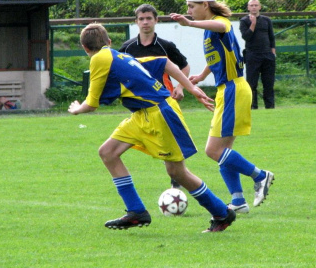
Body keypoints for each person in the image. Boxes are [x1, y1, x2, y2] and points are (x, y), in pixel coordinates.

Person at [68, 23, 236, 232]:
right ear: (109, 42)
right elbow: (164, 62)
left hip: (160, 113)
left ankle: (222, 212)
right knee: (108, 152)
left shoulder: (100, 59)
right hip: (141, 114)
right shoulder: (119, 57)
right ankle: (136, 212)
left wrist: (77, 109)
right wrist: (191, 88)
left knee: (177, 171)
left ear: (85, 47)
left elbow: (91, 105)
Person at [170, 0, 275, 215]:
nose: (189, 11)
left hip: (233, 89)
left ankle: (260, 176)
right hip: (227, 89)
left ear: (205, 5)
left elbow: (223, 25)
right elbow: (219, 55)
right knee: (224, 149)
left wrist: (190, 23)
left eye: (192, 6)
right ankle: (237, 200)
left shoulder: (219, 22)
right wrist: (203, 75)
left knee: (213, 150)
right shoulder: (209, 31)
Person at [119, 4, 191, 190]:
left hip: (164, 103)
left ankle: (177, 182)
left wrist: (180, 87)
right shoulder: (127, 48)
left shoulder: (165, 46)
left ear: (156, 20)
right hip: (141, 107)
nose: (145, 22)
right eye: (141, 19)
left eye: (149, 18)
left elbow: (184, 67)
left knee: (171, 145)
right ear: (136, 22)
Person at [239, 0, 276, 109]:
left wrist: (272, 52)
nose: (254, 7)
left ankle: (270, 106)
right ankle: (253, 106)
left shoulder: (266, 20)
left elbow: (271, 37)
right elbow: (246, 37)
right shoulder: (244, 21)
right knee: (251, 83)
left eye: (256, 5)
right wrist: (253, 24)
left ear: (260, 7)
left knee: (268, 83)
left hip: (267, 55)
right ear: (248, 8)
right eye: (252, 5)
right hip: (252, 55)